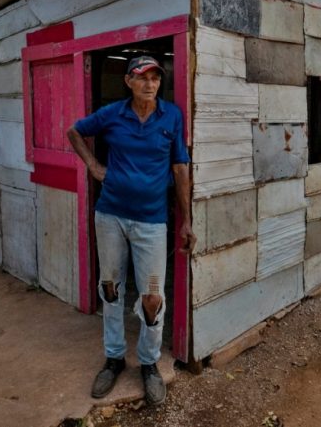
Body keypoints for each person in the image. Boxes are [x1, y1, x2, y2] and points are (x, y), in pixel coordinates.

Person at [67, 55, 195, 405]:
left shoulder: (171, 115)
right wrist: (93, 165)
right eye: (142, 78)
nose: (150, 84)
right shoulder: (112, 114)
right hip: (109, 216)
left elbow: (180, 167)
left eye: (155, 78)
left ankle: (149, 363)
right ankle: (113, 358)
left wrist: (186, 219)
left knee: (153, 297)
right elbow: (74, 131)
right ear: (128, 81)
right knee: (110, 288)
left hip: (152, 221)